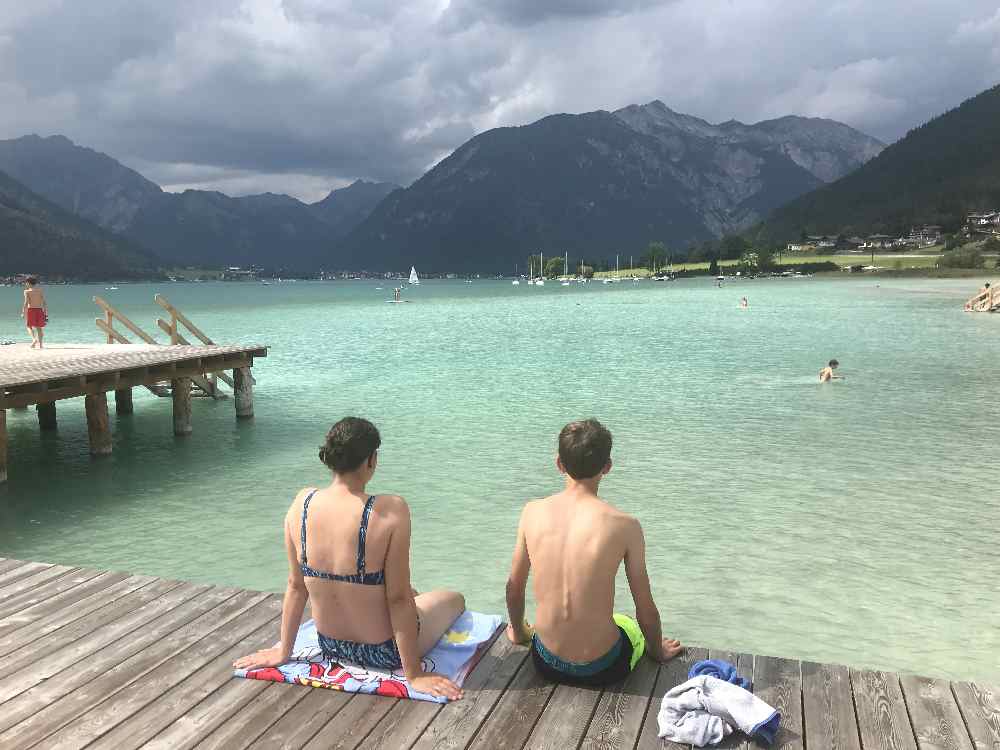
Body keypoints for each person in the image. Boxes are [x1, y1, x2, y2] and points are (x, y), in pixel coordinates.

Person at [234, 417, 466, 700]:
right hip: (385, 650)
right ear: (371, 460)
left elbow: (296, 586)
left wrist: (283, 651)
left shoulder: (302, 503)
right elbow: (397, 598)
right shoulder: (390, 510)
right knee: (454, 599)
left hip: (331, 645)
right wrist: (414, 674)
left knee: (412, 594)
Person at [505, 419, 683, 686]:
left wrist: (519, 633)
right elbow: (645, 609)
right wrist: (657, 650)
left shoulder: (532, 511)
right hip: (602, 668)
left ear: (559, 463)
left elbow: (514, 588)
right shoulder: (626, 526)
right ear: (607, 467)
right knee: (626, 623)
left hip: (544, 661)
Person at [21, 276, 47, 349]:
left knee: (29, 326)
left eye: (26, 282)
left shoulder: (27, 291)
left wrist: (23, 311)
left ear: (28, 283)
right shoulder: (40, 291)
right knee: (39, 328)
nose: (25, 284)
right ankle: (41, 345)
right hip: (39, 310)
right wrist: (45, 313)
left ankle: (34, 339)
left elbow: (26, 302)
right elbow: (44, 302)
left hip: (31, 310)